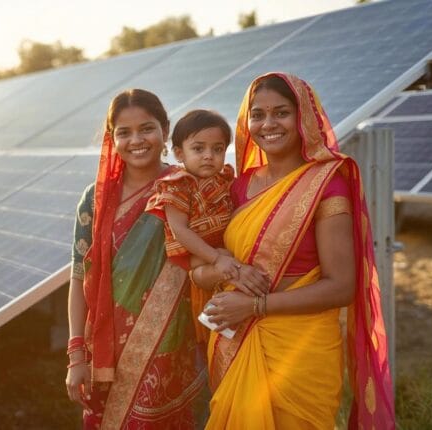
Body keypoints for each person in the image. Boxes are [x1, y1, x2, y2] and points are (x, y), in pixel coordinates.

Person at [198, 73, 395, 428]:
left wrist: (254, 305)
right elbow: (203, 264)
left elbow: (341, 287)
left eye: (281, 112)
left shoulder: (326, 184)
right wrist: (225, 275)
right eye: (257, 114)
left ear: (304, 116)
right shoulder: (238, 185)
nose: (268, 124)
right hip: (235, 337)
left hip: (301, 350)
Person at [65, 89, 206, 428]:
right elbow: (78, 276)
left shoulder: (187, 186)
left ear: (165, 130)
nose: (136, 140)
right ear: (111, 138)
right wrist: (75, 354)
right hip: (104, 353)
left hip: (173, 346)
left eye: (146, 128)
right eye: (123, 132)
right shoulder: (95, 199)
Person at [144, 109, 267, 345]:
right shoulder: (177, 185)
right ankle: (214, 321)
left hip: (221, 249)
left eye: (217, 149)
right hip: (194, 254)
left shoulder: (225, 180)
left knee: (234, 269)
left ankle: (231, 327)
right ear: (180, 153)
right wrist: (215, 258)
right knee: (228, 265)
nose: (209, 156)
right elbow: (180, 230)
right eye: (199, 149)